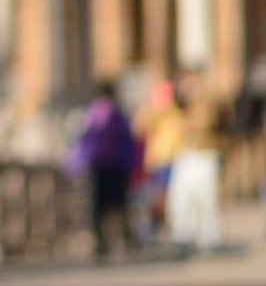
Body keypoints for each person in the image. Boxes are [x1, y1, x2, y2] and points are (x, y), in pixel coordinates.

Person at [72, 82, 137, 258]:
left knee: (104, 207)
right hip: (112, 166)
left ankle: (105, 242)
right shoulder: (114, 114)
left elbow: (86, 141)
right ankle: (121, 240)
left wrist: (78, 162)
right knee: (117, 205)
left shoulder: (96, 114)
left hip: (104, 166)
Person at [168, 67, 227, 254]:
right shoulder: (177, 102)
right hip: (184, 153)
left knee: (206, 196)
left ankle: (210, 237)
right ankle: (183, 235)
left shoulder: (207, 97)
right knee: (181, 196)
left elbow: (211, 120)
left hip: (205, 151)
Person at [132, 77, 183, 245]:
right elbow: (140, 130)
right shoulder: (152, 115)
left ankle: (166, 228)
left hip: (170, 161)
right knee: (154, 198)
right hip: (156, 162)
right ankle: (155, 228)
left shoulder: (175, 114)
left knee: (165, 198)